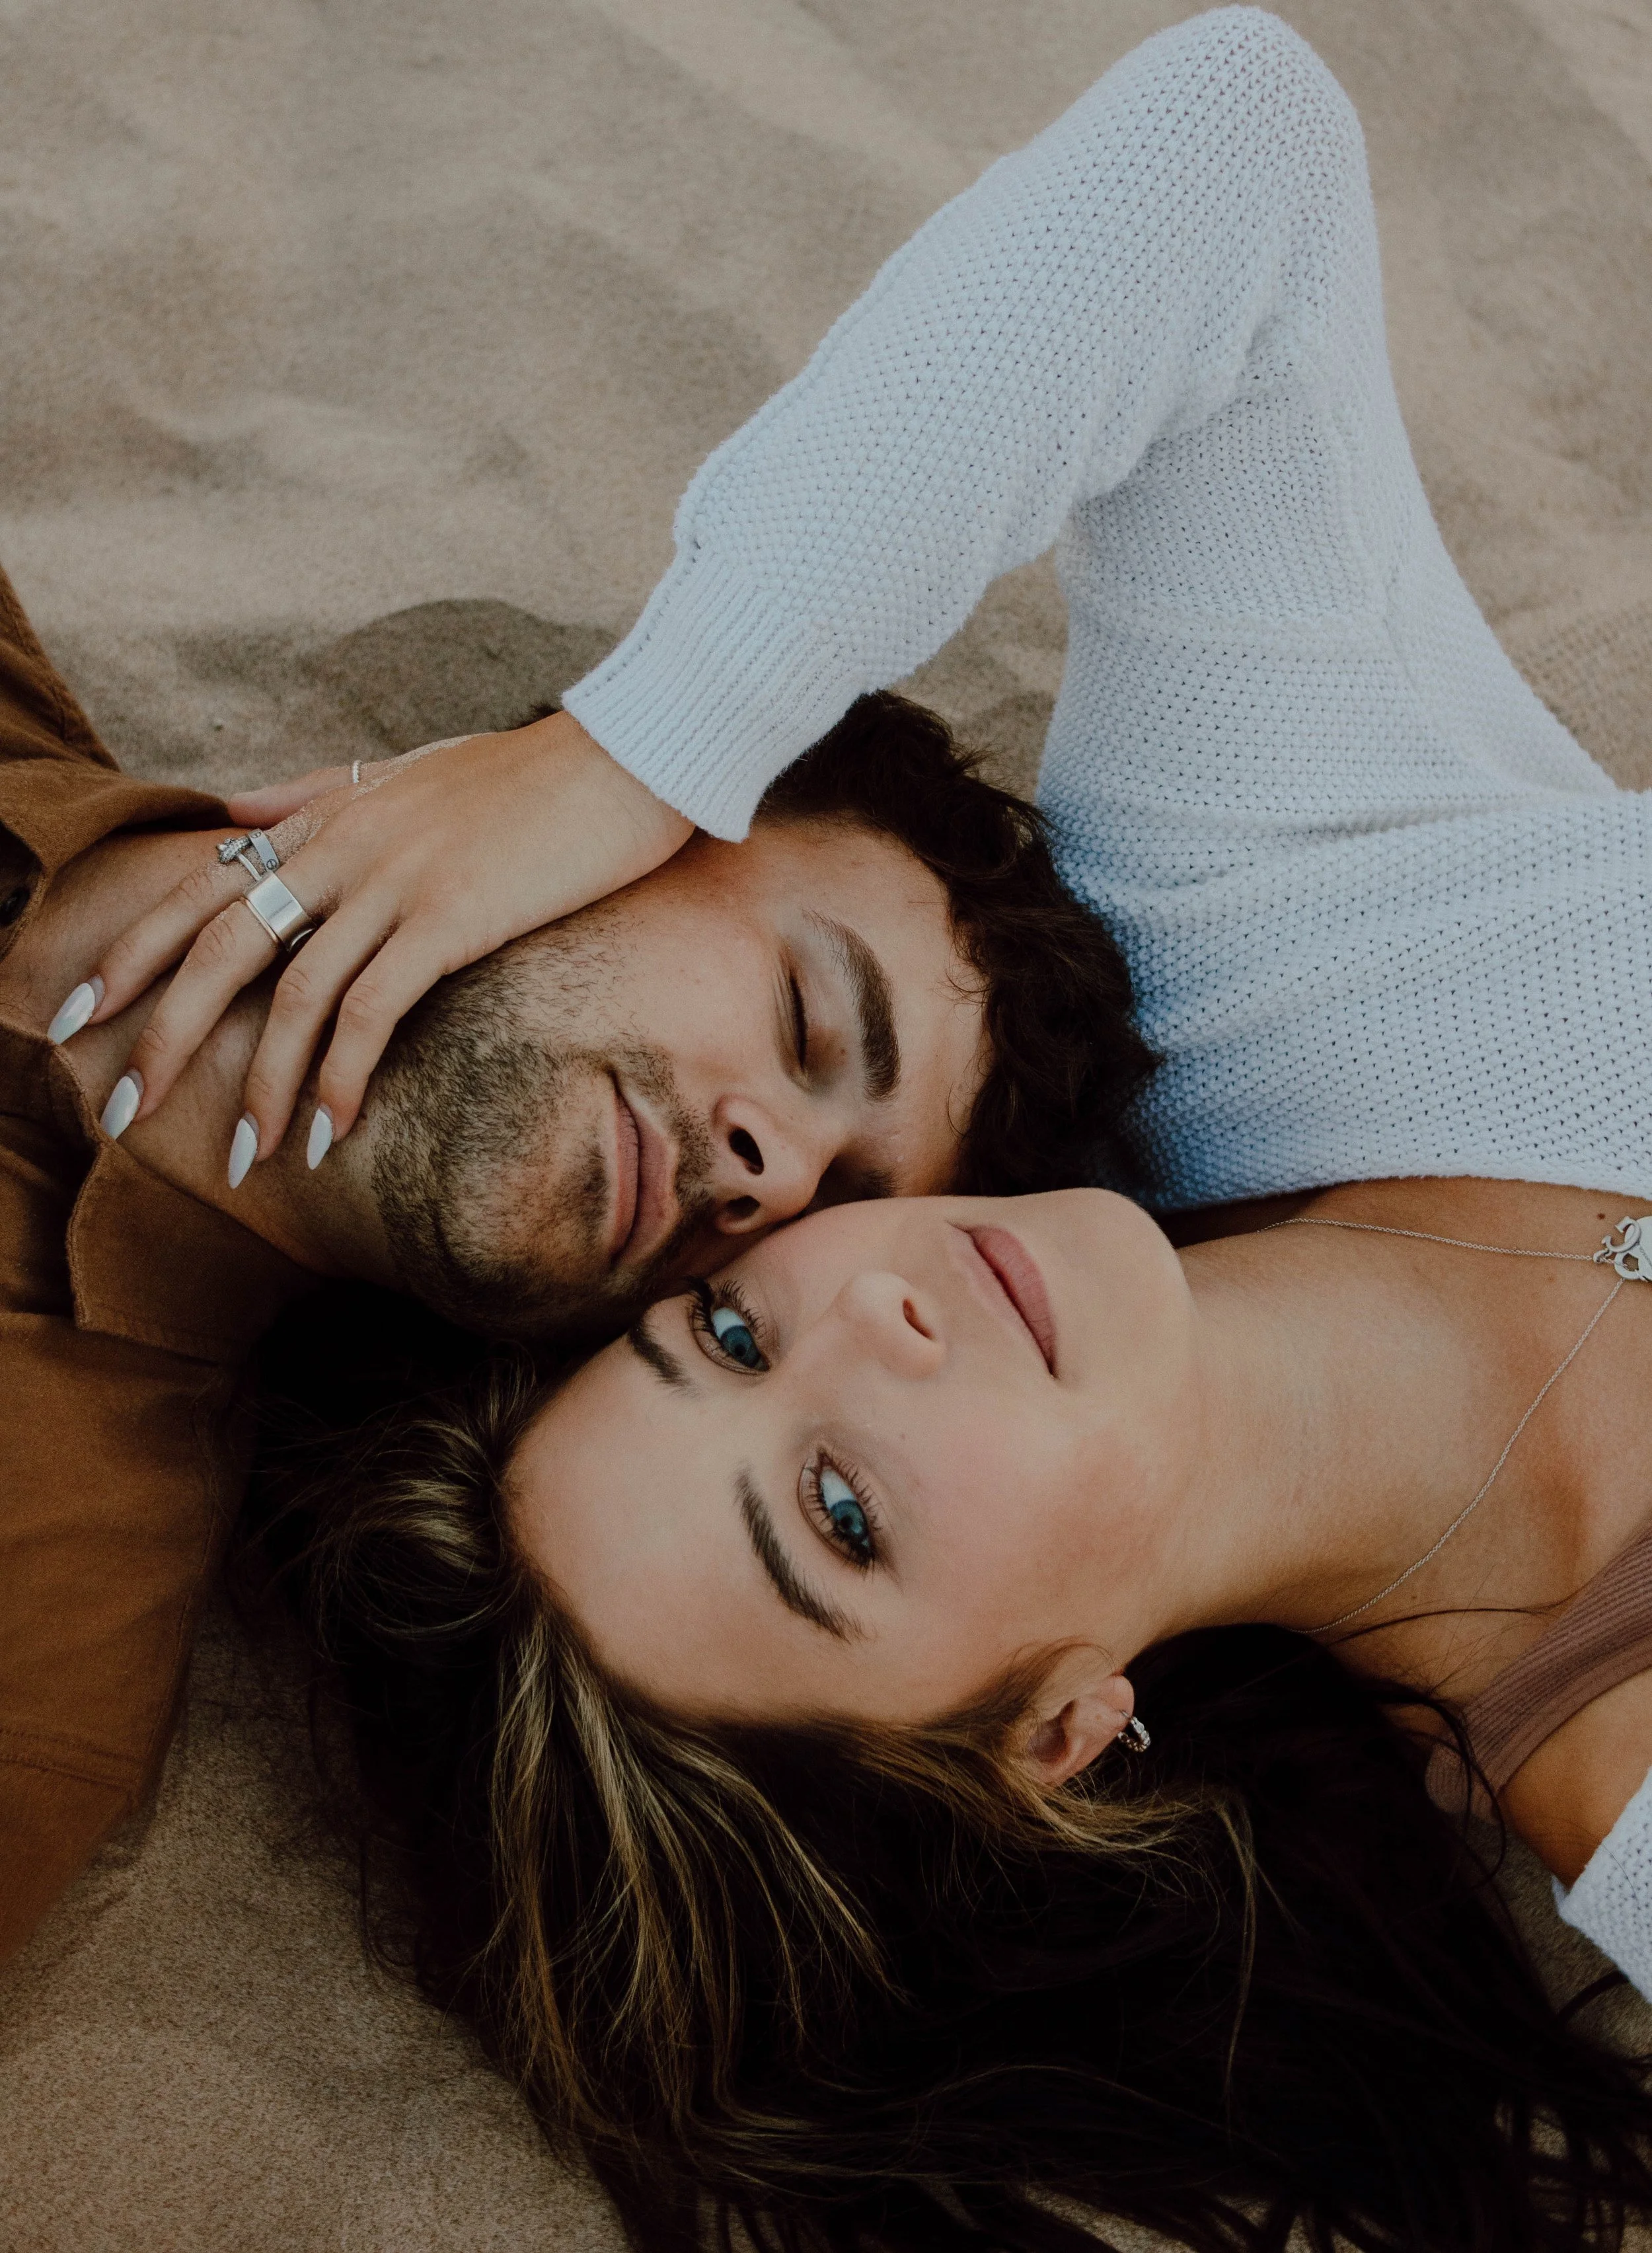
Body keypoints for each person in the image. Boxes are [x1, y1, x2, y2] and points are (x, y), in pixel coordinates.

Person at [248, 11, 1652, 2252]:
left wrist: (643, 740)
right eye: (836, 1505)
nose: (862, 1315)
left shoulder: (1233, 908)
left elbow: (1238, 138)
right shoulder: (1625, 1763)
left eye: (717, 1329)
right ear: (1054, 1737)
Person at [0, 590, 1143, 1972]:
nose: (765, 1176)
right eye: (805, 1017)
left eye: (827, 1208)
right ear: (569, 798)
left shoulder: (41, 1618)